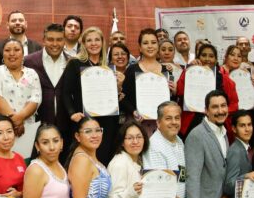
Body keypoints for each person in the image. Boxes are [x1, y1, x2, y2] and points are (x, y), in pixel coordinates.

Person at [61, 27, 119, 164]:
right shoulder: (75, 64)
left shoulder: (108, 67)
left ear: (102, 43)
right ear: (84, 44)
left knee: (104, 156)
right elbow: (66, 92)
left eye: (97, 40)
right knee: (85, 159)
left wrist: (118, 85)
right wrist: (72, 113)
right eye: (89, 40)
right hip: (84, 119)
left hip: (107, 120)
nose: (94, 44)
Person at [176, 42, 239, 139]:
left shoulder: (224, 79)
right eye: (203, 55)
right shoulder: (190, 73)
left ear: (216, 59)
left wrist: (219, 111)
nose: (207, 59)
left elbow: (234, 104)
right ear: (198, 57)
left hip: (216, 122)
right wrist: (189, 70)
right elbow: (179, 91)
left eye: (211, 56)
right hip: (192, 121)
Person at [24, 23, 72, 144]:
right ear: (44, 40)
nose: (55, 44)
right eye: (50, 39)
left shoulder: (72, 62)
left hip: (66, 126)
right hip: (37, 125)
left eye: (59, 40)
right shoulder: (28, 61)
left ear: (65, 41)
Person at [122, 28, 175, 135]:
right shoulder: (132, 70)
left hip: (161, 125)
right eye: (145, 43)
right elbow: (123, 98)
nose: (150, 46)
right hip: (137, 125)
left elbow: (170, 100)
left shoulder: (166, 71)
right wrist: (133, 111)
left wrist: (174, 92)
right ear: (140, 48)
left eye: (153, 42)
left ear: (158, 46)